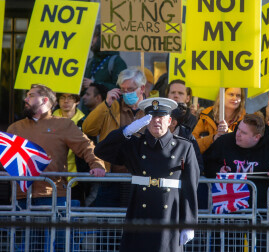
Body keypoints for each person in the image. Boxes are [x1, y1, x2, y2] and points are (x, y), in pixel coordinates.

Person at [7, 84, 105, 251]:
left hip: (54, 196)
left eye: (31, 95)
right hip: (22, 197)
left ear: (45, 100)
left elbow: (86, 146)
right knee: (29, 247)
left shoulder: (63, 125)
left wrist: (96, 165)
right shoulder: (15, 128)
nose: (26, 99)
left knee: (62, 244)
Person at [95, 97, 199, 252]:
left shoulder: (184, 147)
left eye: (161, 117)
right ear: (145, 121)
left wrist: (189, 222)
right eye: (151, 117)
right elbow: (101, 151)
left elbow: (190, 186)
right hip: (139, 210)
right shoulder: (134, 145)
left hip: (169, 211)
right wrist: (126, 131)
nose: (156, 121)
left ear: (169, 120)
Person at [82, 67, 147, 206]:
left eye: (131, 89)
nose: (126, 93)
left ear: (142, 89)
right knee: (107, 222)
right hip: (112, 177)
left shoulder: (151, 109)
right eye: (123, 90)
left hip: (143, 177)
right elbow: (88, 128)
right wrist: (105, 104)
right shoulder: (112, 106)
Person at [204, 114, 269, 209]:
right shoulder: (224, 141)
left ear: (257, 137)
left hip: (261, 210)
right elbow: (205, 163)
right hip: (227, 209)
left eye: (244, 133)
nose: (237, 134)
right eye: (238, 129)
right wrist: (218, 169)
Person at [52, 93, 85, 203]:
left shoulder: (85, 122)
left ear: (77, 101)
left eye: (70, 98)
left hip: (77, 179)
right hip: (52, 177)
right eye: (62, 97)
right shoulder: (49, 120)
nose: (66, 101)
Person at [192, 88, 246, 155]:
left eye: (238, 95)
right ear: (221, 95)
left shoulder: (245, 120)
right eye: (231, 94)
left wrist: (228, 133)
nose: (235, 98)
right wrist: (213, 138)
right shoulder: (206, 117)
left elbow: (246, 145)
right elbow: (192, 144)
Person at [82, 24, 127, 91]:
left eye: (94, 36)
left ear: (102, 39)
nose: (91, 40)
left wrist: (95, 84)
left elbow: (121, 89)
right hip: (89, 101)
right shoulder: (89, 62)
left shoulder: (117, 62)